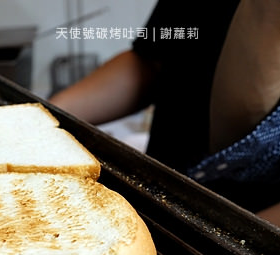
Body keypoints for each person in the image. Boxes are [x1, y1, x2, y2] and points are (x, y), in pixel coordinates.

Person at [49, 0, 280, 226]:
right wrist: (47, 115)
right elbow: (149, 62)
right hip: (152, 192)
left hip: (250, 230)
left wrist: (240, 241)